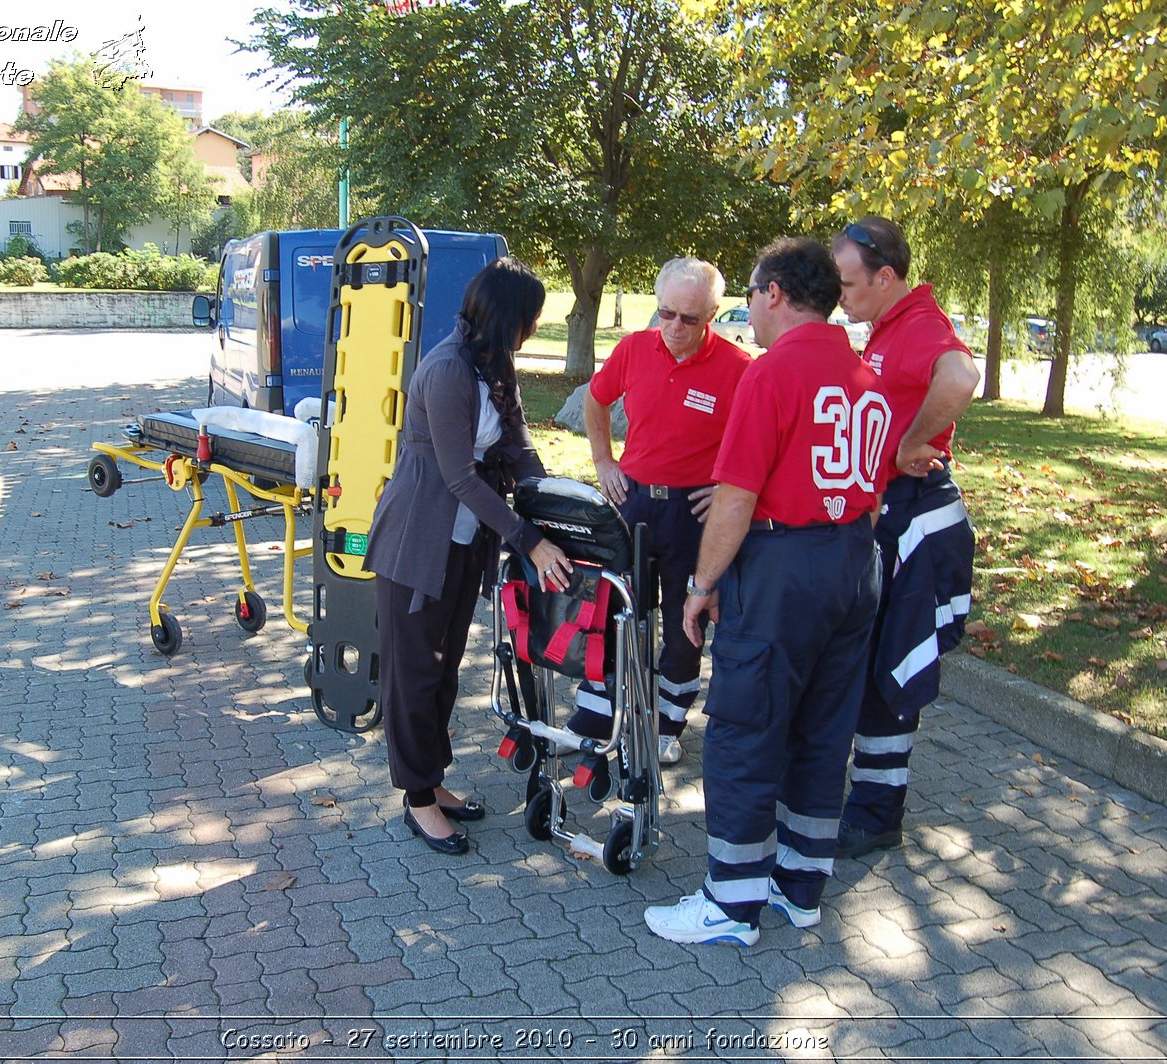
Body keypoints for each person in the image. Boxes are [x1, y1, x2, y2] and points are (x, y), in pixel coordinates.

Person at [643, 236, 891, 946]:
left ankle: (731, 903)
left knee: (746, 728)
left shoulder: (772, 373)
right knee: (822, 729)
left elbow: (734, 499)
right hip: (852, 561)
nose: (746, 309)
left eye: (749, 295)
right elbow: (870, 495)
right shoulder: (863, 373)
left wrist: (702, 584)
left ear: (774, 293)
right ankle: (799, 885)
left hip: (785, 566)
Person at [365, 259, 573, 856]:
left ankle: (432, 780)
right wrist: (529, 539)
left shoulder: (493, 365)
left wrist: (555, 502)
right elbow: (460, 476)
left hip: (460, 541)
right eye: (530, 320)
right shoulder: (450, 371)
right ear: (506, 318)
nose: (533, 330)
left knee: (445, 666)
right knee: (414, 674)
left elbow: (517, 445)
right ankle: (418, 800)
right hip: (416, 540)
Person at [829, 217, 979, 859]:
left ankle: (876, 812)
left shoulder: (919, 326)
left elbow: (959, 378)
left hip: (913, 517)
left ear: (885, 277)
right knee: (873, 664)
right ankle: (867, 799)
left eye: (849, 283)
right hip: (890, 514)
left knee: (893, 667)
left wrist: (912, 444)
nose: (841, 295)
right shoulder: (888, 326)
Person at [569, 257, 753, 764]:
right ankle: (597, 709)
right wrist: (605, 460)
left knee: (683, 621)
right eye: (665, 313)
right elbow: (596, 400)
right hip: (632, 502)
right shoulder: (633, 349)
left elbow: (768, 441)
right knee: (607, 607)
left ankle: (668, 719)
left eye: (689, 319)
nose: (674, 327)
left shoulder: (741, 371)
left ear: (714, 313)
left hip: (695, 516)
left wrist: (728, 487)